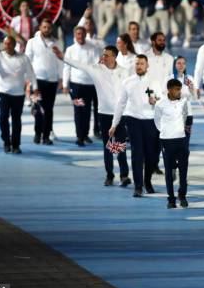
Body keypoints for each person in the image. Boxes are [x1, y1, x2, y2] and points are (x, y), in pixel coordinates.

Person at [53, 44, 131, 187]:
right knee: (108, 146)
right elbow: (79, 65)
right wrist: (62, 57)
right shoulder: (96, 70)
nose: (103, 57)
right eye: (103, 55)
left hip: (120, 115)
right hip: (104, 114)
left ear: (114, 56)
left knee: (120, 145)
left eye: (106, 55)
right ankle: (109, 175)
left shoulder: (125, 72)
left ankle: (124, 175)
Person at [110, 55, 160, 197]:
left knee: (152, 156)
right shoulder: (127, 82)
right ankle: (138, 186)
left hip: (150, 121)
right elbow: (120, 104)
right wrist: (114, 124)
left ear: (147, 65)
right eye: (137, 63)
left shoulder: (154, 81)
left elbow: (161, 99)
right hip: (133, 120)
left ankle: (147, 181)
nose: (139, 66)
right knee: (137, 153)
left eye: (142, 64)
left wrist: (155, 100)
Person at [0, 36, 39, 154]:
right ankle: (6, 142)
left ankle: (16, 145)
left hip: (19, 94)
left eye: (10, 44)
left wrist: (35, 88)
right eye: (5, 44)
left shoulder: (24, 58)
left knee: (16, 120)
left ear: (14, 45)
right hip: (4, 93)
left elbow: (31, 74)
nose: (7, 46)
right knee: (3, 118)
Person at [25, 19, 63, 145]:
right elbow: (27, 61)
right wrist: (28, 79)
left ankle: (46, 136)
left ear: (51, 29)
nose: (47, 29)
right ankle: (37, 134)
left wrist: (61, 78)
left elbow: (60, 61)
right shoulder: (32, 42)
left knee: (49, 109)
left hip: (52, 81)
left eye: (49, 27)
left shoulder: (56, 42)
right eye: (44, 27)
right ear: (40, 27)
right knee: (37, 108)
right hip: (37, 80)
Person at [154, 79, 190, 208]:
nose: (179, 92)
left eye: (180, 89)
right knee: (169, 172)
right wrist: (166, 132)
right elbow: (157, 121)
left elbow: (186, 116)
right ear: (169, 90)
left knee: (184, 171)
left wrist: (181, 130)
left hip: (181, 140)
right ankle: (171, 199)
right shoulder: (160, 104)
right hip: (167, 141)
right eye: (176, 89)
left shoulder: (184, 102)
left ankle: (182, 195)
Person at [63, 26, 100, 146]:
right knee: (79, 110)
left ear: (85, 34)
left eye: (82, 34)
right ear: (75, 35)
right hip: (76, 85)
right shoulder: (70, 50)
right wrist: (65, 84)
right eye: (78, 34)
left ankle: (85, 134)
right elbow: (66, 67)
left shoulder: (93, 49)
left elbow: (97, 67)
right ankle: (79, 136)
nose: (80, 36)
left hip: (90, 85)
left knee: (87, 110)